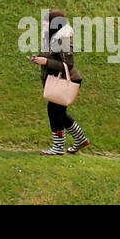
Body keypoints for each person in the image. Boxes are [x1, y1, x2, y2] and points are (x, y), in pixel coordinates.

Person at [32, 10, 89, 155]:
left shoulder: (63, 38)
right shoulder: (50, 37)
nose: (43, 25)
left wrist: (46, 62)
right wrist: (39, 58)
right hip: (58, 80)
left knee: (55, 112)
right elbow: (51, 56)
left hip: (66, 80)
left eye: (46, 22)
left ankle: (58, 147)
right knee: (59, 113)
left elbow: (68, 65)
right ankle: (80, 139)